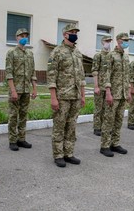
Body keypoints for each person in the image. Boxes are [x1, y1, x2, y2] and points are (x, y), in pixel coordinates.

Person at [47, 23, 86, 168]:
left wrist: (82, 96)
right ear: (65, 34)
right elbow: (51, 76)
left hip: (75, 96)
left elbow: (81, 77)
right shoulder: (57, 52)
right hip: (62, 96)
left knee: (71, 126)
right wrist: (53, 98)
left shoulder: (77, 53)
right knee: (59, 126)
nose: (75, 34)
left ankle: (68, 153)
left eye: (76, 31)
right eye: (72, 31)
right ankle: (58, 155)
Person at [100, 32, 132, 157]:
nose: (126, 42)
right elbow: (106, 75)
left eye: (127, 40)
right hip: (113, 94)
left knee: (118, 120)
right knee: (108, 120)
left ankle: (115, 143)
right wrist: (108, 92)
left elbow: (127, 76)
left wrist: (128, 91)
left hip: (123, 94)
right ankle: (104, 146)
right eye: (124, 40)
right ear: (118, 41)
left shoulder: (126, 57)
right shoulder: (111, 56)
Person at [5, 28, 37, 151]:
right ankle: (12, 140)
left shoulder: (30, 53)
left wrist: (34, 88)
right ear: (16, 37)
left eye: (25, 35)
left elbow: (33, 72)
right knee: (13, 115)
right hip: (16, 89)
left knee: (23, 115)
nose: (24, 37)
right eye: (21, 35)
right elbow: (8, 73)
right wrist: (13, 90)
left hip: (26, 90)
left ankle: (21, 139)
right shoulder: (11, 53)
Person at [92, 36, 112, 136]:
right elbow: (95, 71)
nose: (108, 43)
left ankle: (105, 126)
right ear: (102, 42)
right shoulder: (98, 56)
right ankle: (97, 127)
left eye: (109, 41)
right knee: (98, 108)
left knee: (107, 109)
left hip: (109, 87)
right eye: (106, 41)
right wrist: (96, 86)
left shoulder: (112, 56)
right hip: (100, 85)